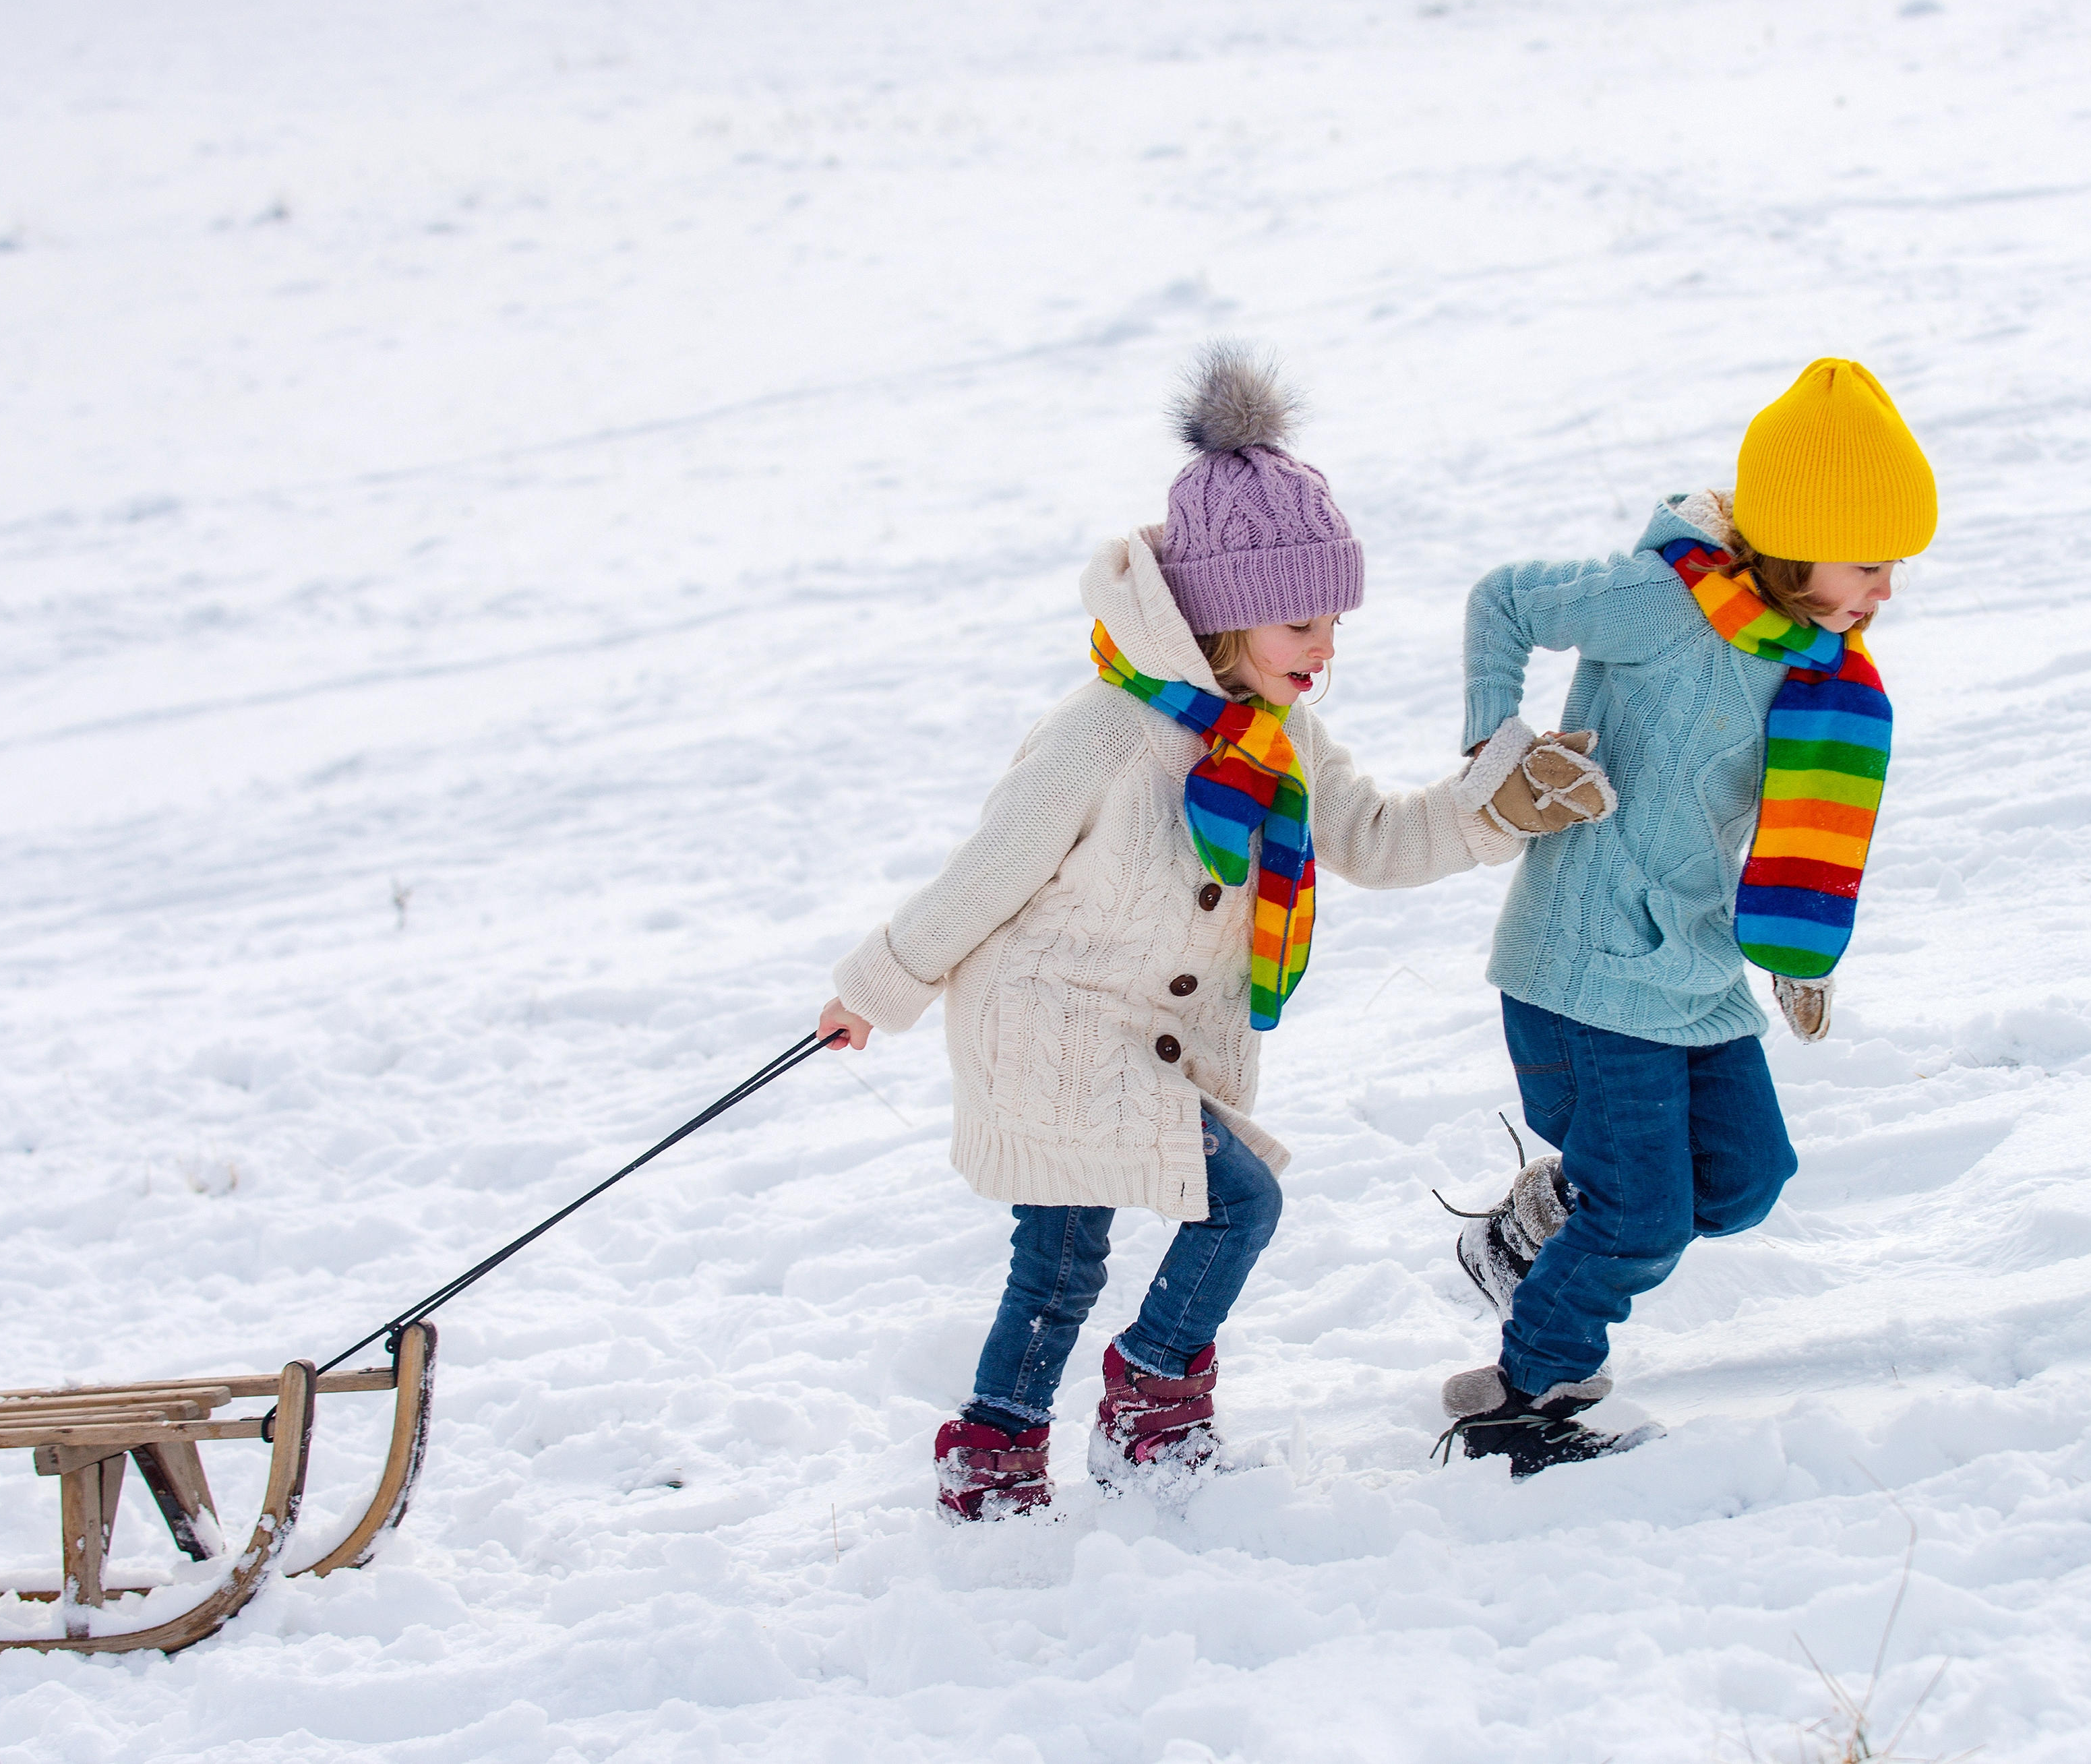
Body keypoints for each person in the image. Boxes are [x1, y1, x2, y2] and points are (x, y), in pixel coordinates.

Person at [817, 347, 1613, 1521]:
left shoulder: (1277, 734)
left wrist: (1500, 810)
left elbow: (1380, 839)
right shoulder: (1104, 733)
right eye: (1301, 619)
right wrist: (876, 989)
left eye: (1333, 620)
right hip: (1046, 1026)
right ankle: (1117, 1419)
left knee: (1082, 1250)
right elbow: (984, 876)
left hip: (1145, 1038)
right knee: (1200, 1214)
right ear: (1223, 617)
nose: (1325, 647)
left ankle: (1029, 1444)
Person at [1439, 357, 1933, 1475]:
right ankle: (1526, 1397)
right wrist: (1495, 745)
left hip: (1697, 968)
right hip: (1592, 966)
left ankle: (1536, 1233)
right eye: (1872, 563)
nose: (1887, 592)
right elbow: (1504, 599)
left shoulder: (1813, 661)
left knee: (1746, 1178)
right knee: (1644, 1215)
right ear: (1799, 542)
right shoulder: (1664, 603)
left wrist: (1797, 951)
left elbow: (1800, 818)